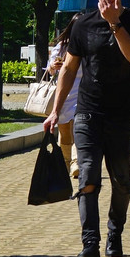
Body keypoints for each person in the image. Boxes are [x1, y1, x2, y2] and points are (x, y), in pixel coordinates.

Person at [45, 0, 130, 257]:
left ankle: (115, 231)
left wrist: (115, 24)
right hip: (88, 112)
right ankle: (89, 243)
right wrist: (55, 110)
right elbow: (69, 68)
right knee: (88, 177)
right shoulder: (83, 24)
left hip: (123, 113)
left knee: (121, 180)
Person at [47, 18, 82, 177]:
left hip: (81, 93)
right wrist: (53, 67)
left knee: (77, 129)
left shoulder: (88, 46)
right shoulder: (60, 48)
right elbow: (51, 71)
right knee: (64, 131)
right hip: (63, 94)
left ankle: (76, 162)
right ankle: (66, 162)